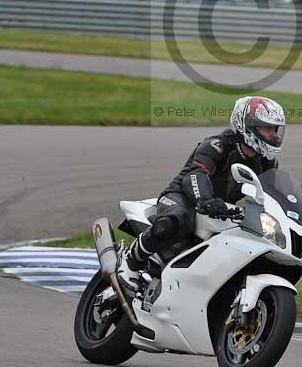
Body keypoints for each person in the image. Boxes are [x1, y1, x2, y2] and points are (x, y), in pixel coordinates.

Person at [117, 95, 286, 291]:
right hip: (181, 197)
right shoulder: (218, 145)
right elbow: (195, 175)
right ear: (247, 125)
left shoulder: (266, 162)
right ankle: (131, 261)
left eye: (275, 129)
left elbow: (270, 196)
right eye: (267, 129)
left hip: (218, 211)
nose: (273, 135)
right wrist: (205, 200)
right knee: (179, 219)